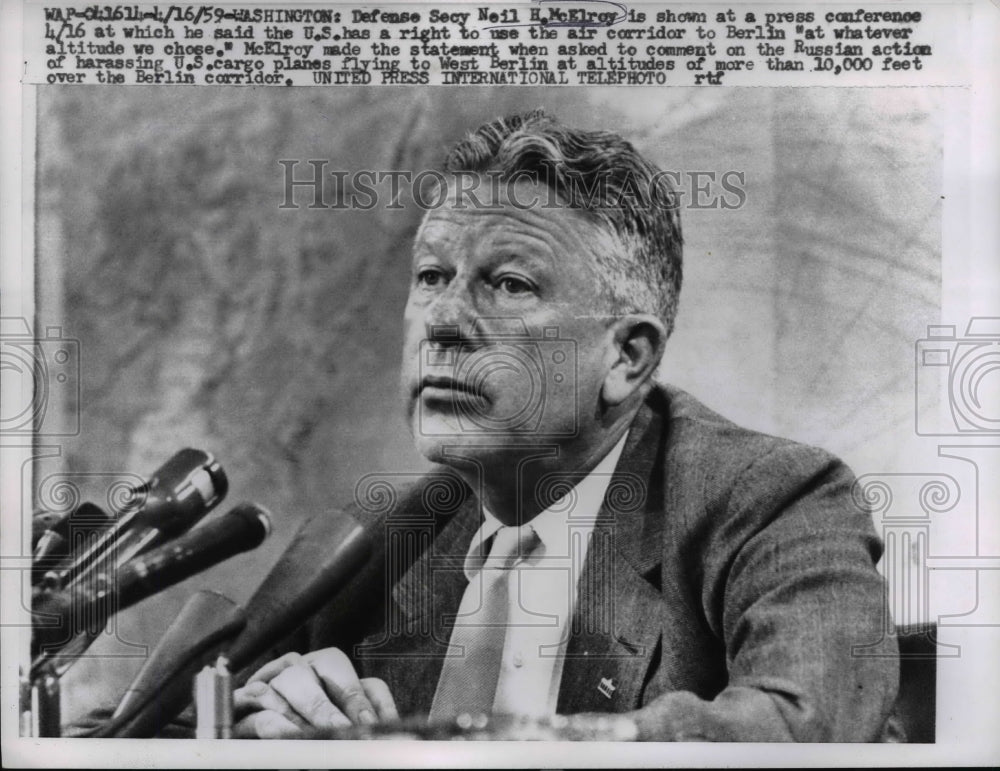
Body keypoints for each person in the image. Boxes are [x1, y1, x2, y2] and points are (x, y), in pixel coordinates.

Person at [231, 111, 900, 741]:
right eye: (432, 274)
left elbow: (806, 727)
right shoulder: (376, 541)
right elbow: (219, 710)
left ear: (626, 357)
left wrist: (514, 745)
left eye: (511, 284)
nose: (442, 321)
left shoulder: (775, 501)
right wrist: (274, 718)